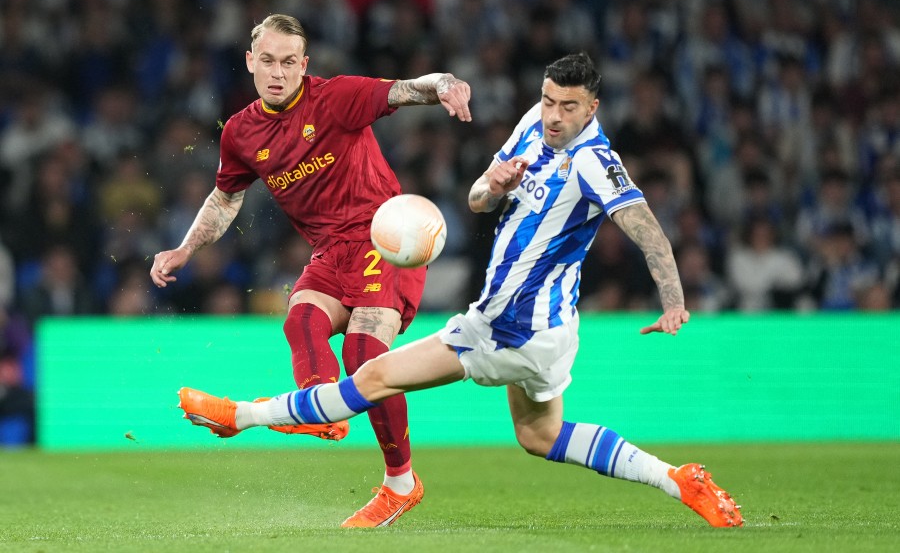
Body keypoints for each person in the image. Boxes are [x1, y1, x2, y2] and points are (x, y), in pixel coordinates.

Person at [177, 52, 743, 528]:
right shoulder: (530, 127)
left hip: (508, 328)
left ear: (592, 109)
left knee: (370, 377)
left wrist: (673, 300)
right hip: (547, 329)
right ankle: (676, 479)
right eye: (548, 100)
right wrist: (492, 185)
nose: (553, 115)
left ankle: (242, 416)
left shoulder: (595, 162)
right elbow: (477, 201)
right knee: (540, 435)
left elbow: (647, 229)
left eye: (568, 107)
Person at [151, 13, 472, 528]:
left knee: (365, 352)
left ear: (304, 65)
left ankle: (400, 483)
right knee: (301, 319)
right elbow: (225, 198)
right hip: (329, 250)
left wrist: (447, 85)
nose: (278, 73)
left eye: (288, 63)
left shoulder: (336, 97)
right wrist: (185, 248)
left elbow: (408, 90)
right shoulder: (240, 132)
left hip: (383, 237)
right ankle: (322, 418)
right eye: (268, 62)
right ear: (251, 63)